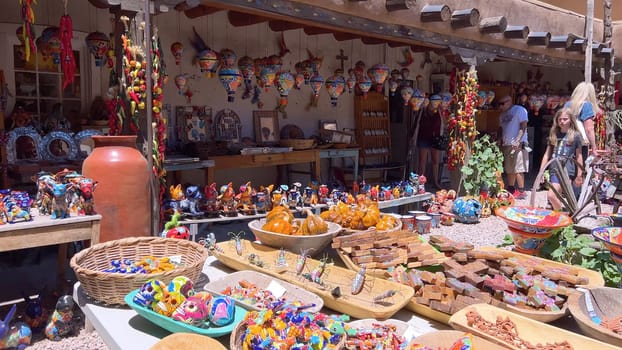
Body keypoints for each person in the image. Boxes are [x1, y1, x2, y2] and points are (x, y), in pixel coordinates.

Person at [538, 108, 584, 211]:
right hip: (554, 170)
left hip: (568, 171)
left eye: (565, 119)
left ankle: (559, 215)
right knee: (552, 195)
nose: (562, 122)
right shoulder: (554, 135)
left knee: (556, 195)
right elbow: (546, 155)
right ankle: (560, 215)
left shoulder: (576, 136)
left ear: (571, 120)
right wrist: (541, 172)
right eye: (560, 119)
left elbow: (579, 156)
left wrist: (579, 174)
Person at [497, 95, 529, 199]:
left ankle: (521, 190)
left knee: (518, 168)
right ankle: (511, 188)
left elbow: (523, 125)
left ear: (509, 101)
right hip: (507, 143)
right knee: (509, 168)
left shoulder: (519, 110)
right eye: (499, 104)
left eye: (502, 104)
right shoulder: (502, 115)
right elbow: (501, 128)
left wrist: (518, 140)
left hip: (518, 143)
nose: (500, 106)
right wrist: (499, 139)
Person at [564, 82, 601, 158]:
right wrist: (594, 147)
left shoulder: (567, 104)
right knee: (579, 165)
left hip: (566, 138)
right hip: (579, 141)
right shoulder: (587, 105)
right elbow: (589, 129)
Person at [416, 95, 443, 189]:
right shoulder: (423, 111)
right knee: (422, 161)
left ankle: (435, 182)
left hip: (435, 138)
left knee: (435, 160)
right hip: (423, 137)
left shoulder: (439, 111)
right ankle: (420, 184)